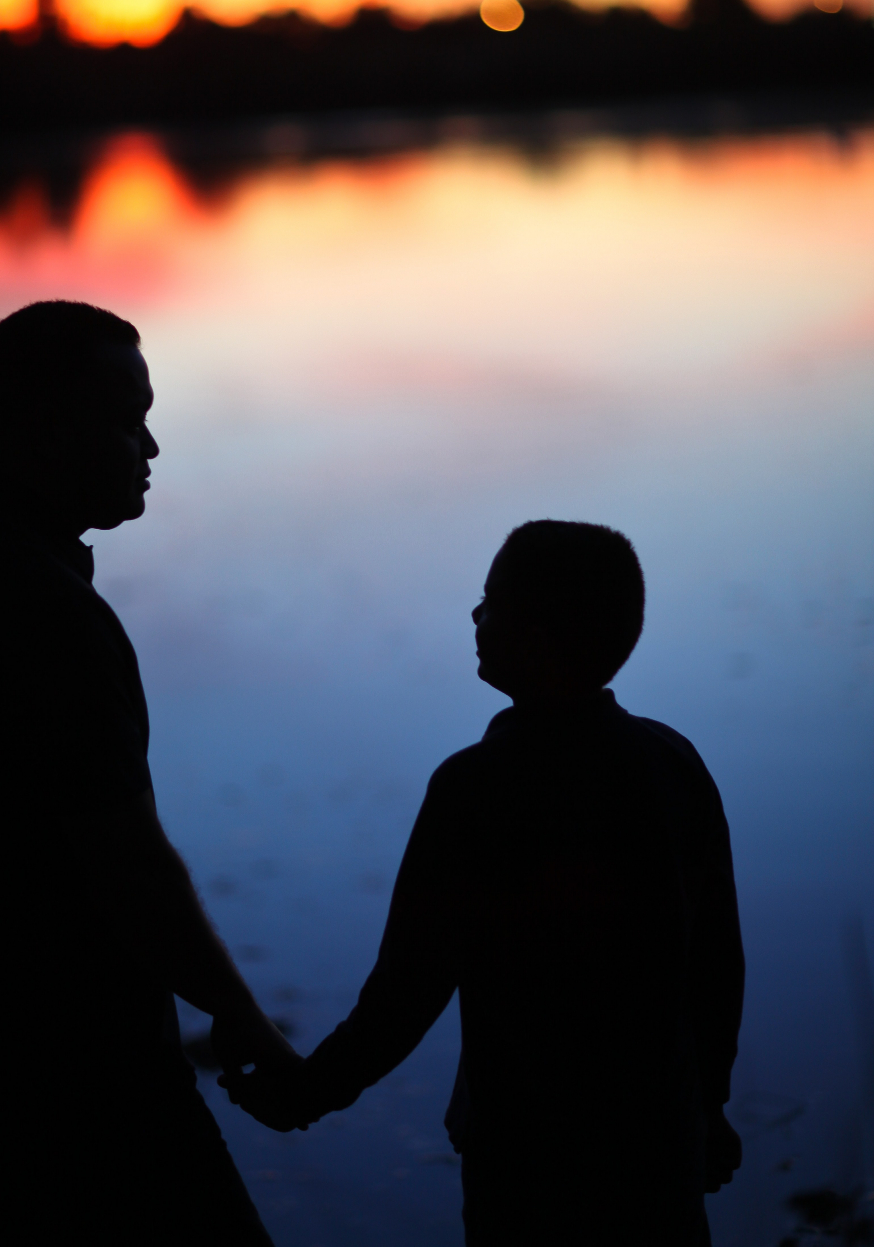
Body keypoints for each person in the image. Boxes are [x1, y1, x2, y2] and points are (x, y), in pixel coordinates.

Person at [0, 300, 292, 1247]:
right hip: (71, 1064)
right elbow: (127, 859)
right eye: (128, 418)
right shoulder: (39, 605)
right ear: (48, 431)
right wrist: (237, 1009)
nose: (153, 446)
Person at [225, 520, 745, 1246]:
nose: (474, 618)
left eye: (490, 604)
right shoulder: (672, 761)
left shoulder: (476, 787)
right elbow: (716, 961)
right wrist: (709, 1108)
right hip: (657, 1145)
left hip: (530, 1156)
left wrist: (309, 1093)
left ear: (535, 640)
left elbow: (408, 988)